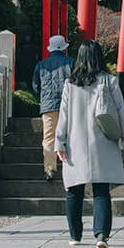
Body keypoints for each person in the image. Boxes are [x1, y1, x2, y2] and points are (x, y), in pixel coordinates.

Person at [55, 40, 124, 248]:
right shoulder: (110, 81)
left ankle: (75, 234)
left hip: (75, 142)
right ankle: (101, 235)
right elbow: (120, 113)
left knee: (73, 190)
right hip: (104, 141)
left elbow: (63, 116)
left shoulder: (70, 84)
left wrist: (59, 142)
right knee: (101, 190)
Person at [32, 34, 75, 181]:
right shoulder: (71, 62)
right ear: (63, 48)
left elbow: (36, 86)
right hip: (68, 104)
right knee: (69, 136)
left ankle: (50, 169)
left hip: (48, 105)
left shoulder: (41, 65)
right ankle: (71, 166)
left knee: (49, 138)